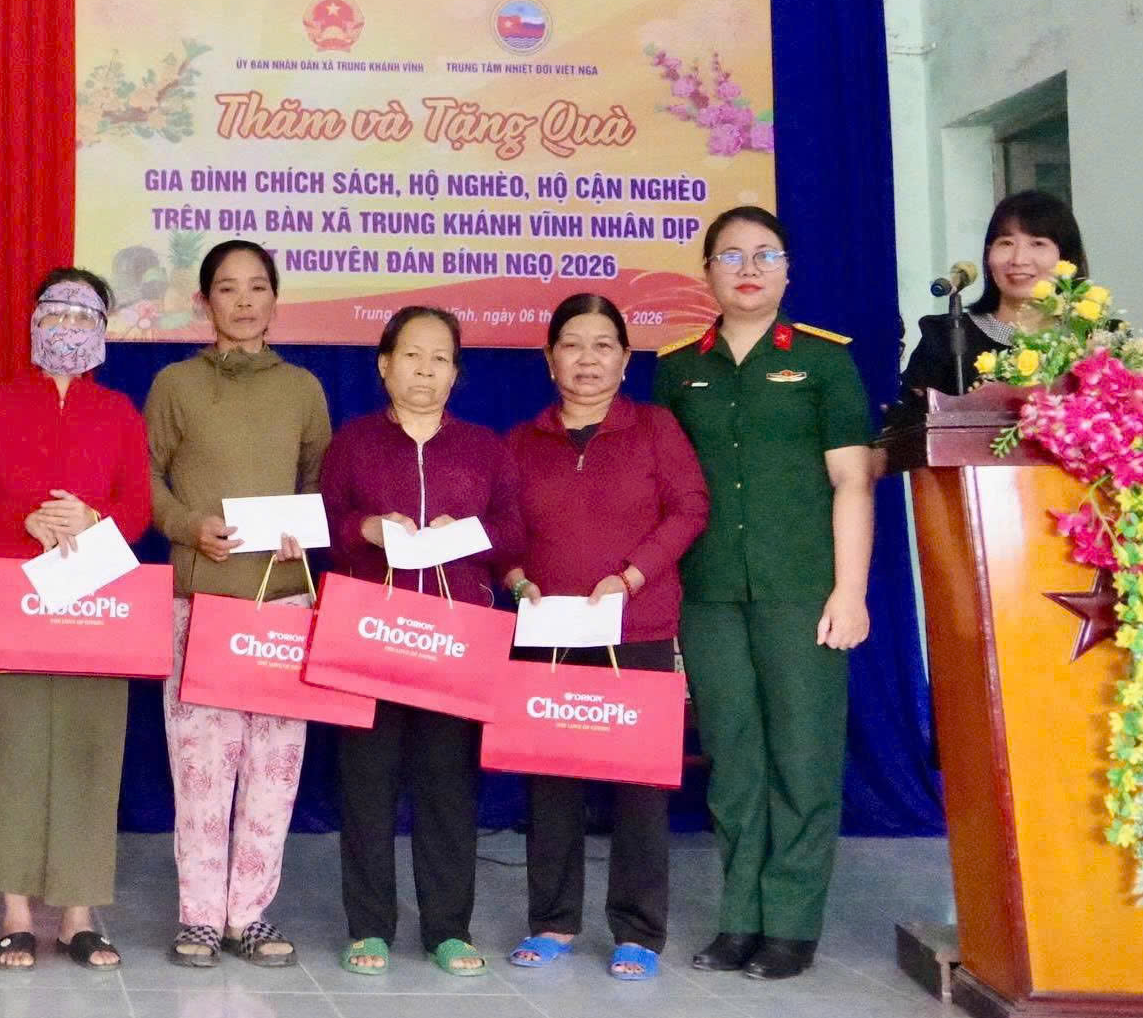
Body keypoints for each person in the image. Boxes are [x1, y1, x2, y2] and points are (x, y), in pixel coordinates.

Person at [653, 205, 873, 981]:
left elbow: (852, 481)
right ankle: (738, 917)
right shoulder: (677, 368)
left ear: (787, 269)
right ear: (706, 272)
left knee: (803, 757)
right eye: (730, 255)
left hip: (801, 588)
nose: (747, 268)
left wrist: (851, 590)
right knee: (735, 759)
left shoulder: (823, 362)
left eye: (764, 254)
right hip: (709, 592)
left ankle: (790, 923)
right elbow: (662, 491)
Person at [501, 293, 709, 982]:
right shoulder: (520, 442)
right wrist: (515, 576)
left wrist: (632, 576)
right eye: (571, 344)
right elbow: (500, 530)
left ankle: (638, 930)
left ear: (624, 358)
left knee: (639, 787)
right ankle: (552, 920)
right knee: (551, 784)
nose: (586, 360)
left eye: (602, 345)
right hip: (549, 631)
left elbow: (690, 508)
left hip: (636, 625)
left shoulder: (654, 428)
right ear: (548, 359)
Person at [0, 268, 152, 973]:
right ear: (34, 322)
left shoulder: (120, 412)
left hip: (96, 601)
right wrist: (23, 519)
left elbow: (139, 508)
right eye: (55, 314)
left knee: (90, 751)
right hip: (16, 597)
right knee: (10, 748)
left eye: (83, 316)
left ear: (103, 330)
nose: (67, 329)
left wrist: (96, 518)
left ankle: (77, 914)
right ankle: (14, 914)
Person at [317, 305, 523, 980]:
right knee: (366, 787)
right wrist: (367, 527)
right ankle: (369, 927)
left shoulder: (484, 448)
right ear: (384, 364)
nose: (425, 370)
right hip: (370, 636)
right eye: (411, 355)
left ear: (456, 373)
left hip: (453, 642)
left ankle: (447, 928)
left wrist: (464, 533)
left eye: (440, 358)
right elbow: (326, 520)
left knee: (447, 789)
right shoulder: (353, 442)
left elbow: (513, 531)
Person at [145, 240, 330, 969]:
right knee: (200, 772)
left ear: (275, 300)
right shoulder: (174, 385)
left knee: (273, 773)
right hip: (201, 604)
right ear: (204, 302)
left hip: (282, 605)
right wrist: (186, 524)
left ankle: (248, 915)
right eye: (228, 288)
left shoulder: (303, 389)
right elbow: (145, 477)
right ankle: (198, 916)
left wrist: (304, 529)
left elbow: (320, 483)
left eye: (258, 287)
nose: (245, 301)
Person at [883, 189, 1087, 438]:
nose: (1018, 259)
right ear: (989, 255)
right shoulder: (946, 338)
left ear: (1067, 258)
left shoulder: (1096, 339)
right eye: (1006, 243)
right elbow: (905, 430)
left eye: (1037, 243)